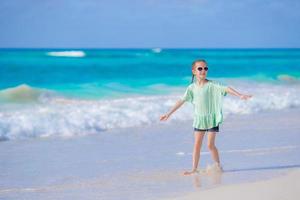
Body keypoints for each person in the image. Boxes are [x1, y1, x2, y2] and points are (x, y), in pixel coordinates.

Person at [160, 59, 252, 176]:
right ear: (194, 71)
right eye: (200, 68)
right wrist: (168, 113)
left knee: (210, 145)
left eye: (205, 68)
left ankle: (218, 166)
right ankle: (194, 169)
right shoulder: (191, 88)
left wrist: (240, 95)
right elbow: (181, 101)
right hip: (199, 120)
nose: (203, 71)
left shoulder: (212, 85)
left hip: (212, 119)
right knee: (197, 145)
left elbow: (226, 88)